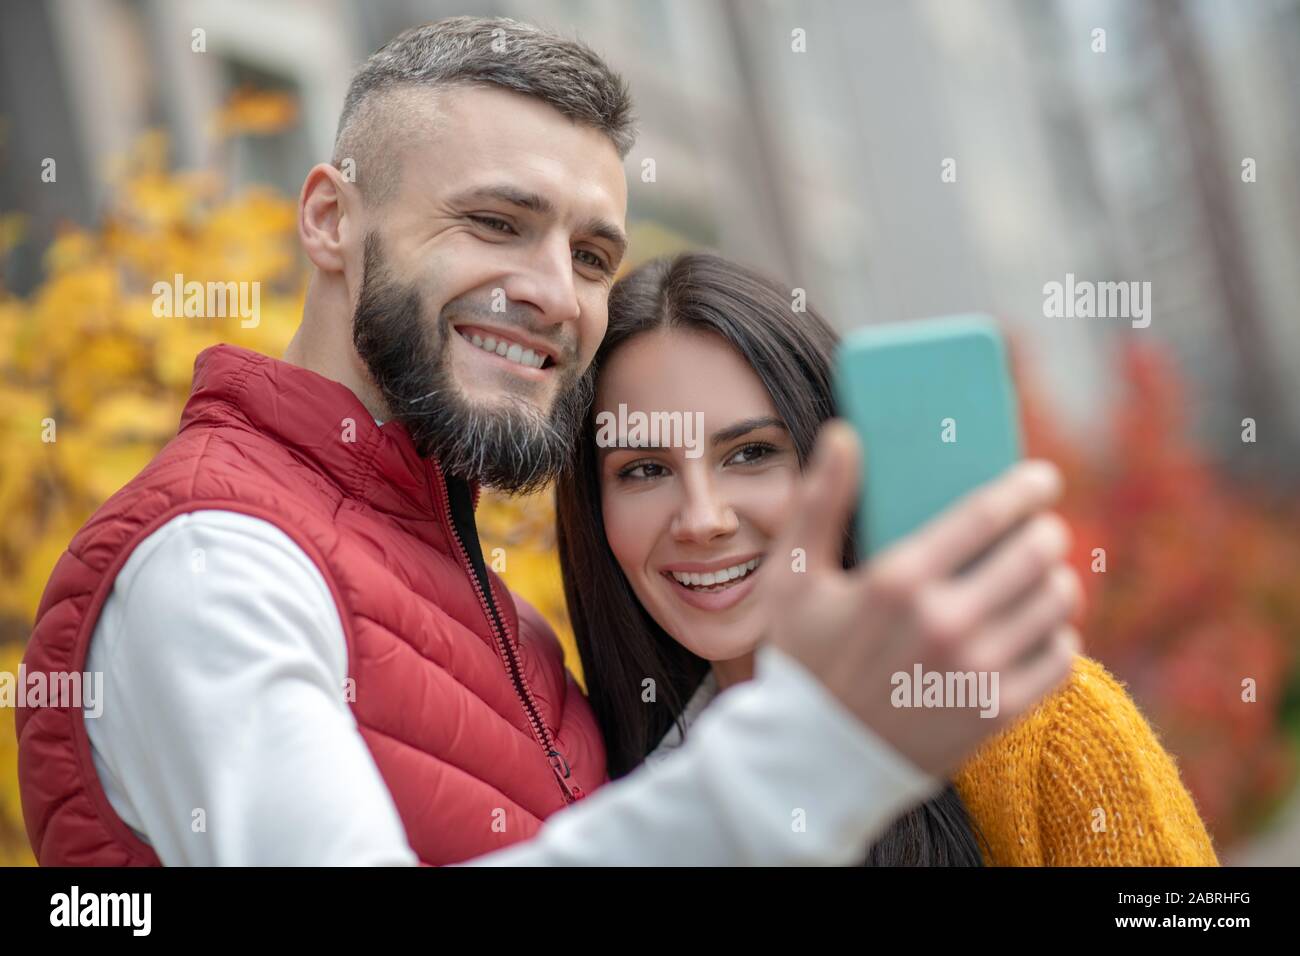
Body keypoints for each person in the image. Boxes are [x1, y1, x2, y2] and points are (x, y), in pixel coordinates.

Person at [17, 17, 1073, 866]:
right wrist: (816, 746)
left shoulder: (504, 614)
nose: (551, 292)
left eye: (591, 252)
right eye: (494, 222)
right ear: (332, 219)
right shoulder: (215, 564)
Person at [556, 251, 1220, 866]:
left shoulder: (1051, 735)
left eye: (752, 453)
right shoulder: (610, 804)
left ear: (838, 460)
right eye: (644, 469)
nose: (703, 519)